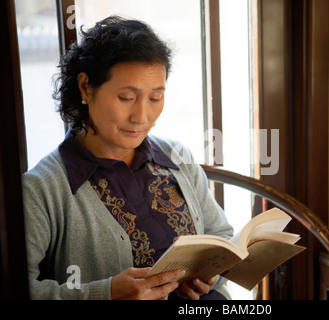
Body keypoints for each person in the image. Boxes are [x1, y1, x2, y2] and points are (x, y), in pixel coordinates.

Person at [22, 16, 234, 300]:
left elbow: (219, 231)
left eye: (155, 98)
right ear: (85, 87)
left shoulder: (177, 157)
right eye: (126, 98)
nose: (141, 117)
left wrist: (211, 273)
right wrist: (106, 294)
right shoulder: (40, 189)